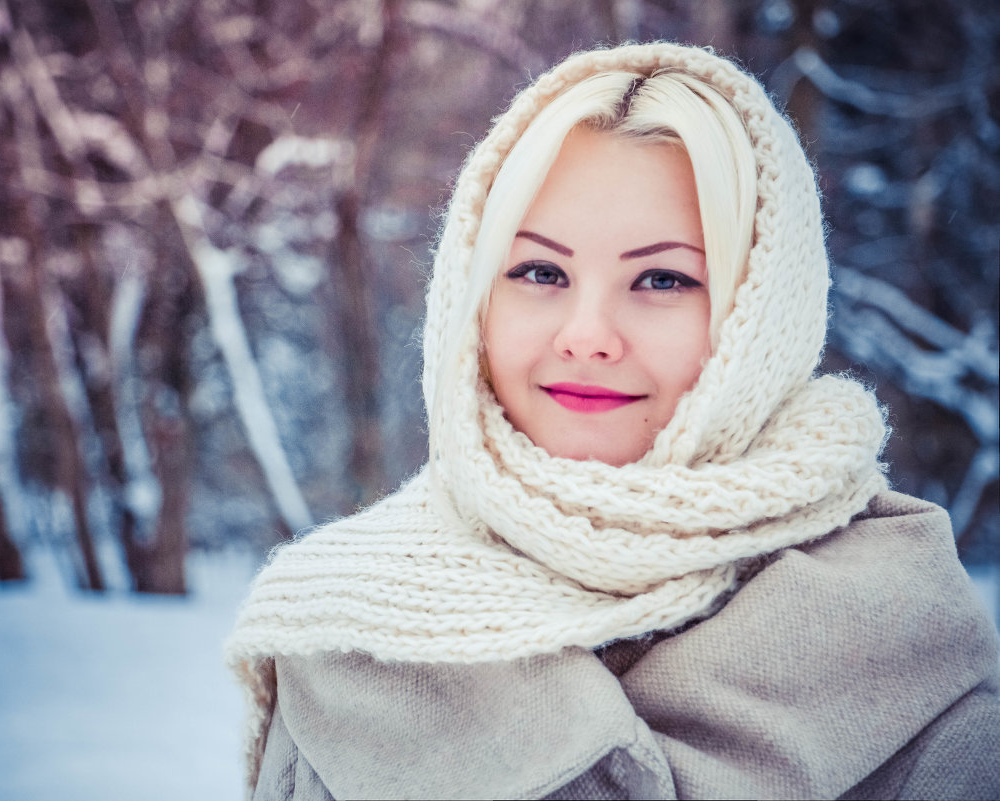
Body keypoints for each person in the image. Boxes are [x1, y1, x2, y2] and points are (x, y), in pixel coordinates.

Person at [225, 42, 1000, 800]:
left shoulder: (910, 650)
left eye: (662, 278)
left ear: (760, 315)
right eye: (539, 271)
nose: (587, 332)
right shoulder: (348, 632)